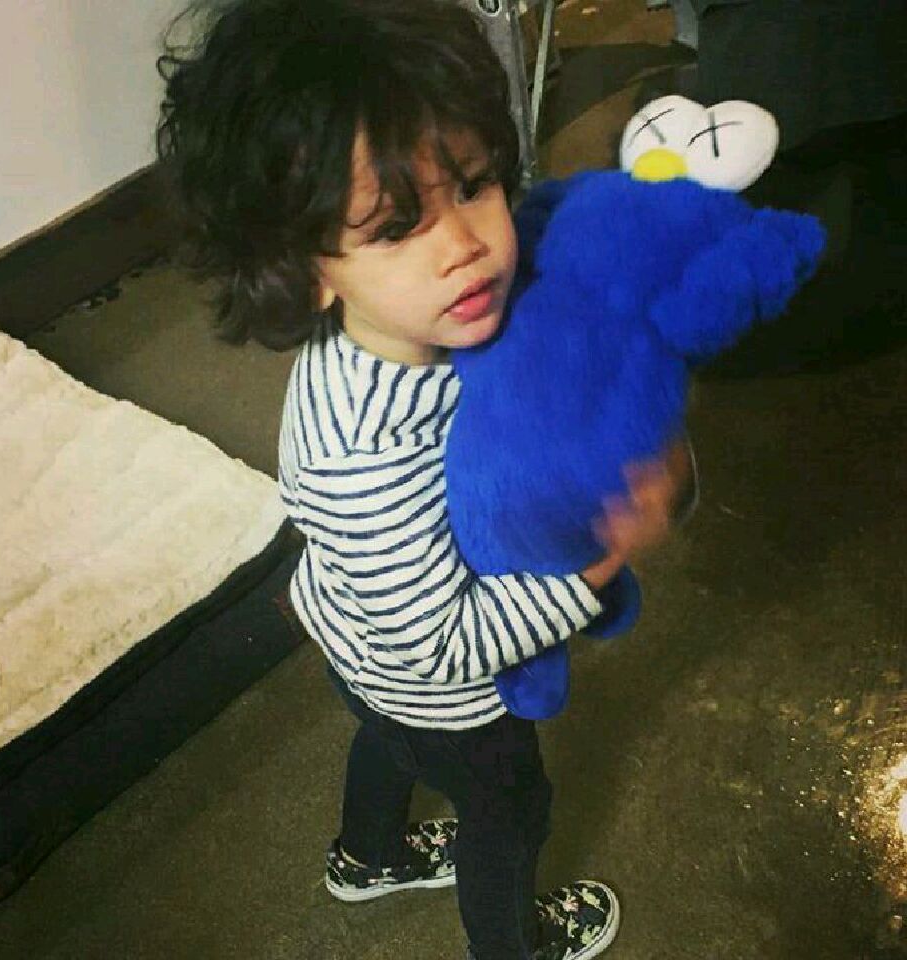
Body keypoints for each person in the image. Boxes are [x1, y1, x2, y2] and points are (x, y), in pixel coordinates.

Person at [156, 1, 693, 957]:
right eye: (397, 226)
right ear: (305, 269)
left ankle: (367, 856)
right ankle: (510, 945)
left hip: (359, 639)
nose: (463, 245)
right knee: (509, 809)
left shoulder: (427, 321)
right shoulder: (365, 451)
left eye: (475, 186)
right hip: (439, 688)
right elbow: (446, 644)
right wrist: (605, 557)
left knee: (384, 741)